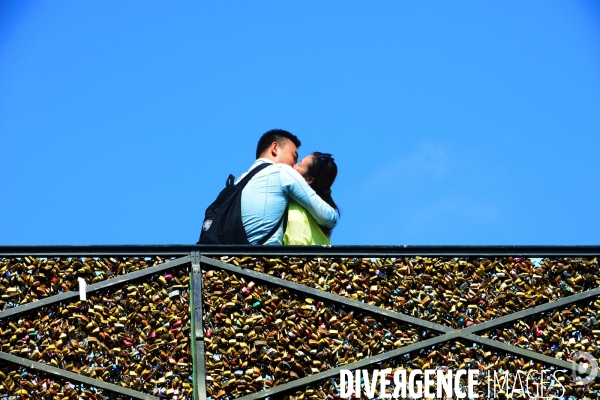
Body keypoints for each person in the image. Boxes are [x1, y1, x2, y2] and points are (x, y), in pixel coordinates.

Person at [237, 129, 339, 245]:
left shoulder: (239, 181)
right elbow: (330, 218)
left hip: (233, 254)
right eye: (294, 157)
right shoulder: (281, 171)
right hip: (265, 257)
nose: (293, 165)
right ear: (274, 148)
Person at [283, 152, 339, 245]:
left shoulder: (297, 206)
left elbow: (296, 241)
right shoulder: (320, 210)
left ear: (309, 180)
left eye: (299, 164)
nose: (293, 165)